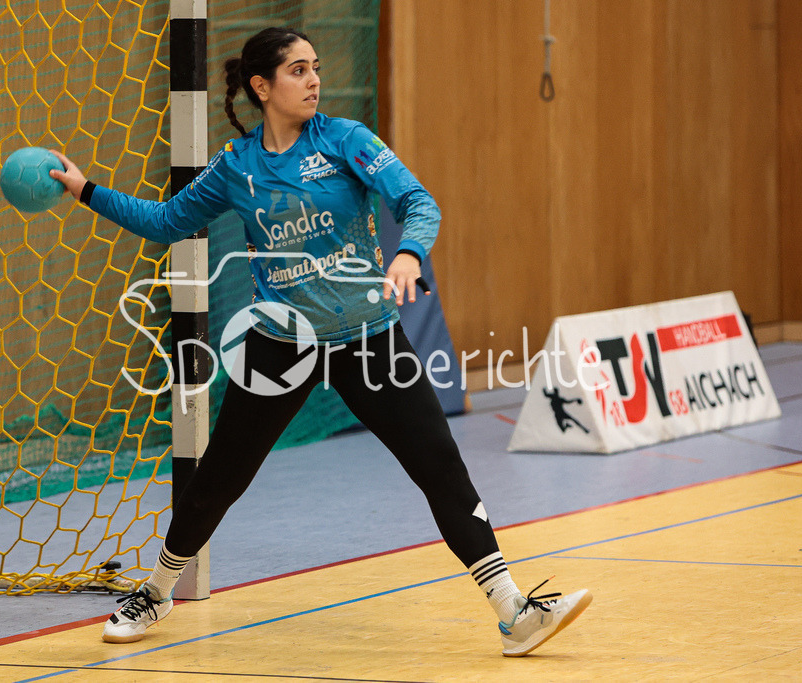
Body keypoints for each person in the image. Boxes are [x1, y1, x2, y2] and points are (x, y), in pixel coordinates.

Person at [49, 26, 591, 657]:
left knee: (440, 466)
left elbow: (418, 202)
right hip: (281, 344)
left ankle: (513, 612)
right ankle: (157, 591)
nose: (313, 81)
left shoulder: (346, 139)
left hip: (368, 338)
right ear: (262, 86)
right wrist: (85, 190)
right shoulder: (236, 167)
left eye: (315, 68)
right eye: (298, 70)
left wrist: (409, 253)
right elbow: (166, 221)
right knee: (221, 476)